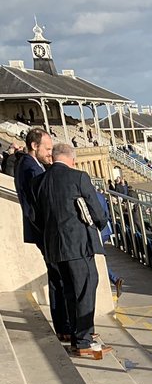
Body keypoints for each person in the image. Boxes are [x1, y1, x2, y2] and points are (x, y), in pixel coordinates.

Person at [31, 141, 108, 356]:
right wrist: (99, 226)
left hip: (53, 246)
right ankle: (84, 340)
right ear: (71, 159)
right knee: (85, 289)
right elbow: (97, 211)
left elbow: (35, 216)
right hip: (78, 245)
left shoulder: (38, 181)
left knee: (69, 292)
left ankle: (77, 337)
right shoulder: (79, 177)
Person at [13, 128, 71, 342]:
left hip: (43, 232)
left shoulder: (29, 165)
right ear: (34, 146)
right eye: (47, 149)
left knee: (57, 278)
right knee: (60, 279)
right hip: (45, 233)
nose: (50, 153)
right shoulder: (30, 169)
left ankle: (64, 327)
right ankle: (64, 326)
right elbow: (38, 204)